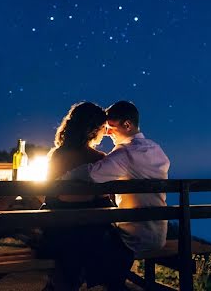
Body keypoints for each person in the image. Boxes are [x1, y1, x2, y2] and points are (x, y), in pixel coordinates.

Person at [64, 100, 171, 291]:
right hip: (158, 233)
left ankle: (87, 283)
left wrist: (61, 178)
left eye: (111, 127)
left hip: (134, 237)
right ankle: (110, 282)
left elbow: (91, 174)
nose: (107, 133)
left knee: (86, 237)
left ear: (127, 125)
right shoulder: (157, 150)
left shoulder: (125, 154)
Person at [41, 101, 113, 291]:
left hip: (60, 233)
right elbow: (105, 200)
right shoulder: (99, 159)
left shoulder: (56, 156)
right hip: (91, 235)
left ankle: (61, 284)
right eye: (102, 128)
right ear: (93, 130)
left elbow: (49, 196)